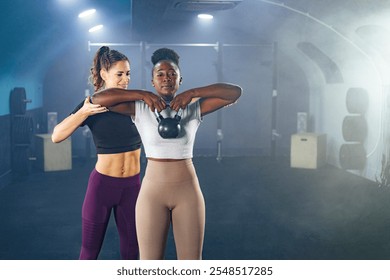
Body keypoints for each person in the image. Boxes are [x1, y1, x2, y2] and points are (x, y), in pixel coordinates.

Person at [91, 47, 242, 259]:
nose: (166, 79)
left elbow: (234, 92)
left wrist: (192, 93)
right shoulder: (140, 107)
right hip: (152, 193)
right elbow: (98, 99)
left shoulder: (193, 107)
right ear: (153, 81)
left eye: (172, 74)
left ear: (180, 80)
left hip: (187, 191)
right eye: (160, 75)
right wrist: (142, 94)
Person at [51, 46, 163, 259]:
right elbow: (57, 136)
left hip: (132, 187)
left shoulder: (136, 105)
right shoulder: (94, 105)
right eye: (119, 74)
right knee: (89, 252)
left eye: (128, 74)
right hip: (102, 187)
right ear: (104, 74)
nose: (125, 79)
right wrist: (83, 112)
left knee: (132, 252)